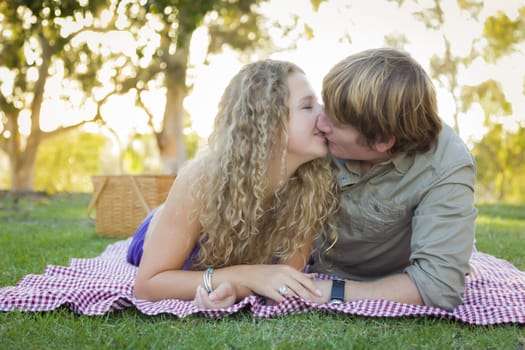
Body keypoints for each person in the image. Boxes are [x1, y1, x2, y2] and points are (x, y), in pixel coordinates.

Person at [126, 59, 339, 309]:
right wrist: (245, 276)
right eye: (308, 106)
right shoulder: (201, 179)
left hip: (225, 259)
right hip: (164, 233)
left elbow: (285, 282)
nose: (324, 116)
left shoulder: (312, 186)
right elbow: (148, 285)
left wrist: (235, 288)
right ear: (268, 120)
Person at [310, 48, 477, 311]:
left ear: (382, 140)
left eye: (337, 122)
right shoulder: (315, 127)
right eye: (323, 105)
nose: (318, 122)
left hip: (385, 278)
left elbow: (438, 286)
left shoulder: (446, 166)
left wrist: (333, 291)